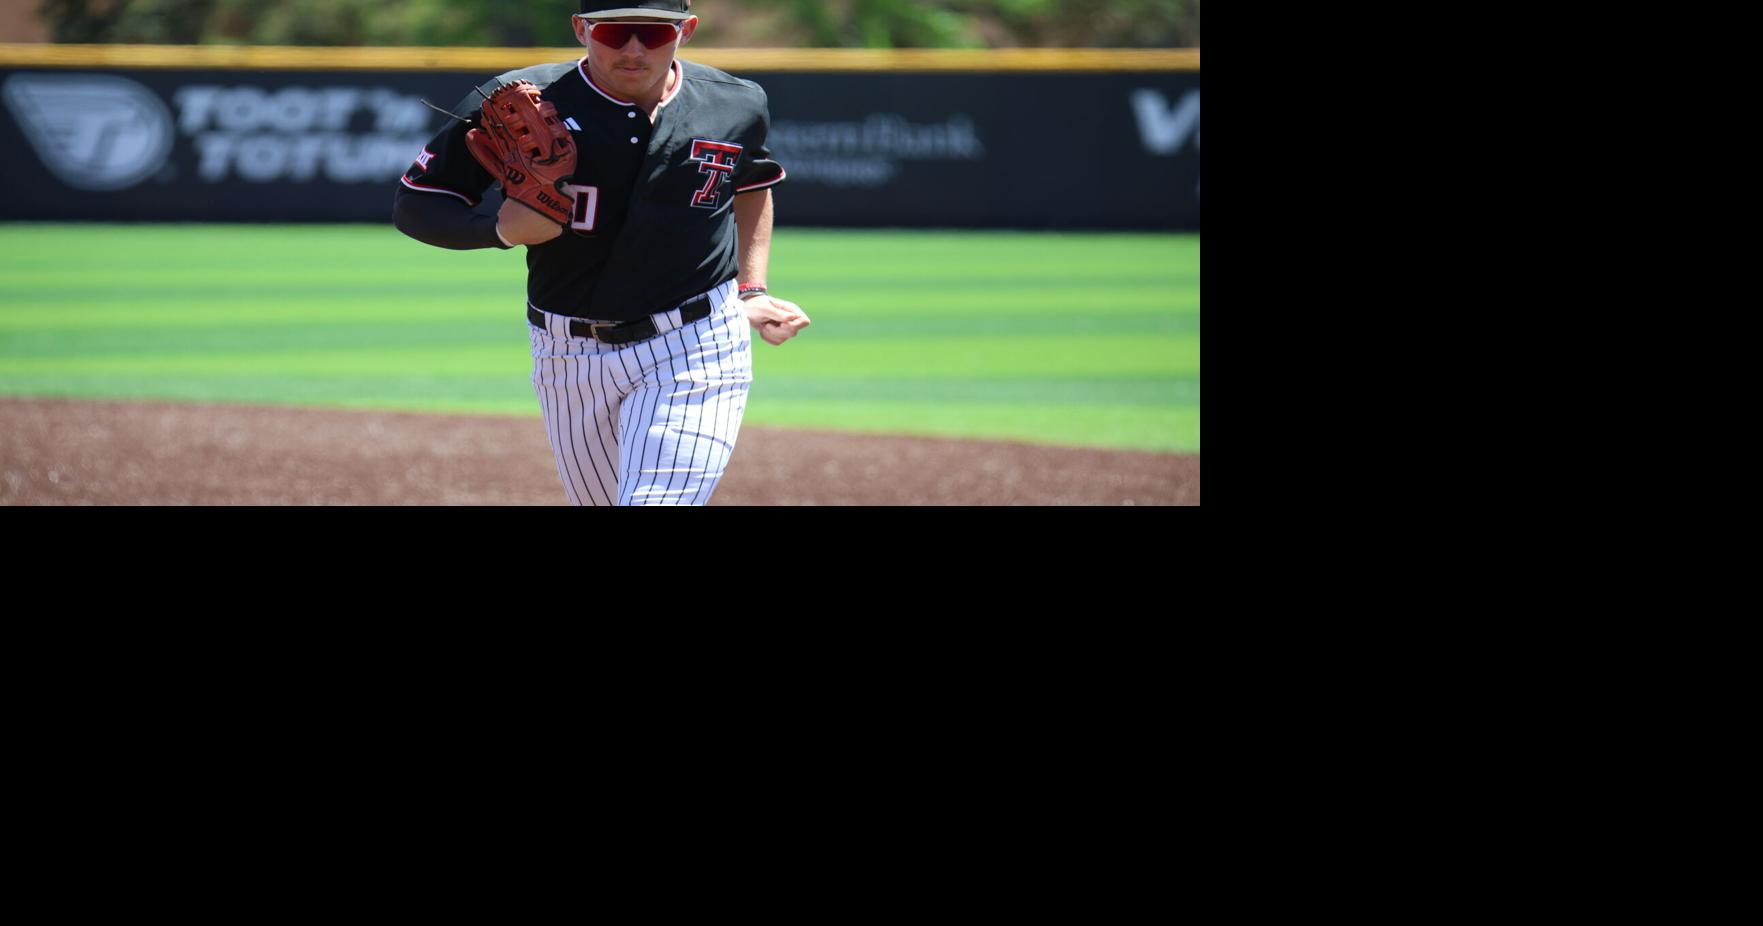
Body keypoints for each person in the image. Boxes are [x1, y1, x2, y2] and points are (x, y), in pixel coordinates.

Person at [393, 0, 809, 506]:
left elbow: (750, 185)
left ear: (687, 31)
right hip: (567, 352)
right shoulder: (521, 99)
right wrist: (499, 230)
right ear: (581, 30)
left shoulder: (734, 103)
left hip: (697, 342)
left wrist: (752, 288)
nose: (634, 48)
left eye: (653, 34)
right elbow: (419, 202)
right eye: (616, 32)